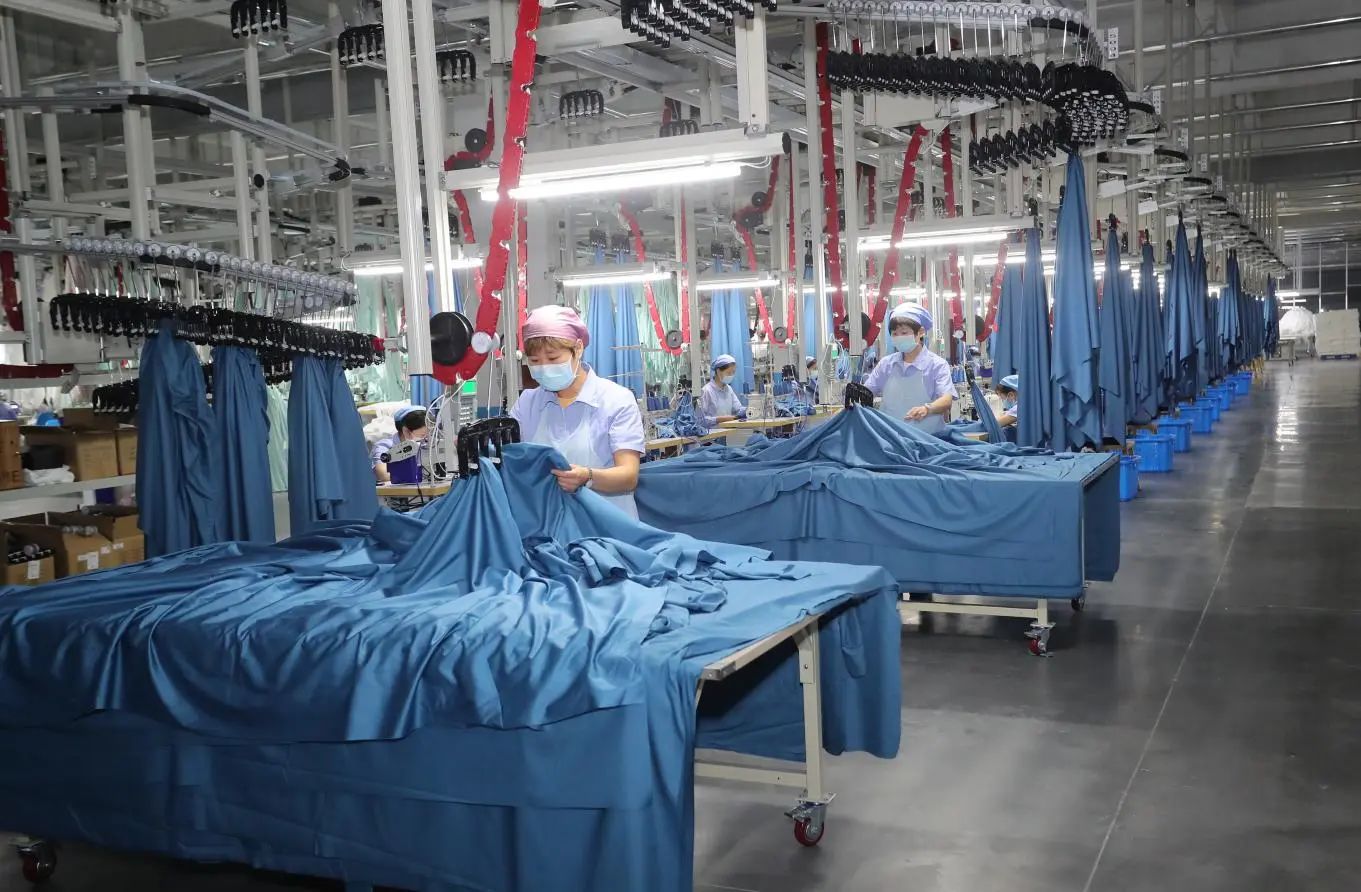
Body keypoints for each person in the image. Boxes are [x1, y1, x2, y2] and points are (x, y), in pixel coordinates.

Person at [509, 305, 646, 518]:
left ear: (578, 348)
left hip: (607, 527)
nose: (544, 367)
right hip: (551, 527)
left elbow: (628, 476)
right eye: (535, 361)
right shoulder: (528, 403)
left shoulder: (616, 400)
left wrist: (588, 476)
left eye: (553, 358)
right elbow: (510, 457)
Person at [863, 303, 956, 434]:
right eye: (895, 334)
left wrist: (927, 409)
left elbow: (946, 400)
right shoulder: (886, 364)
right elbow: (866, 393)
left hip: (927, 439)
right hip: (891, 438)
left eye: (904, 332)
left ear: (921, 332)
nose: (899, 337)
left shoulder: (937, 365)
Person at [371, 405, 428, 483]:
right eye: (423, 435)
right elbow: (383, 475)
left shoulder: (425, 445)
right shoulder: (384, 446)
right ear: (406, 431)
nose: (426, 438)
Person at [699, 354, 748, 426]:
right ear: (718, 371)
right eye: (728, 373)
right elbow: (701, 420)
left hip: (728, 431)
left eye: (733, 372)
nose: (731, 375)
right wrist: (719, 419)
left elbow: (738, 409)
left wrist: (748, 410)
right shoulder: (706, 391)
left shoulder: (729, 389)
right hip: (713, 432)